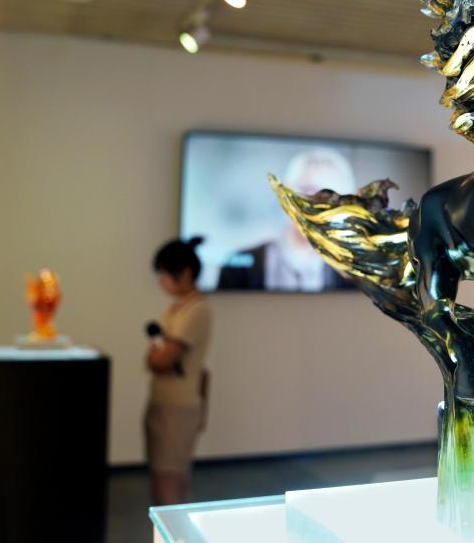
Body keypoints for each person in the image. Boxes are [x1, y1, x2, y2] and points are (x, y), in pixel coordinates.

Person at [217, 147, 357, 291]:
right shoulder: (238, 268)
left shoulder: (355, 275)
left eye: (330, 196)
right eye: (308, 190)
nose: (317, 204)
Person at [145, 237, 213, 506]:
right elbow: (156, 357)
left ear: (185, 273)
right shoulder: (176, 307)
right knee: (164, 477)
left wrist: (157, 357)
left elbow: (162, 360)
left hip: (178, 407)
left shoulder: (198, 310)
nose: (160, 282)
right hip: (164, 402)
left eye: (163, 274)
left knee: (169, 480)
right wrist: (156, 357)